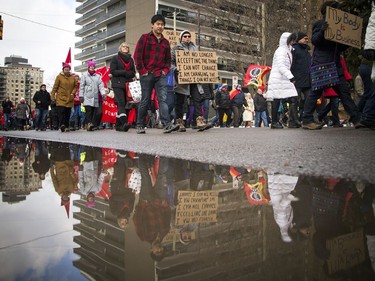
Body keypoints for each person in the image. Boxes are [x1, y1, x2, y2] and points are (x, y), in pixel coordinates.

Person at [302, 1, 360, 130]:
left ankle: (357, 119)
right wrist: (323, 31)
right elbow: (315, 41)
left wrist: (349, 39)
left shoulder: (339, 26)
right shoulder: (320, 24)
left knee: (344, 92)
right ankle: (307, 120)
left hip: (335, 64)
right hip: (322, 65)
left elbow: (341, 48)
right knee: (315, 92)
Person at [134, 14, 179, 134]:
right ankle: (140, 125)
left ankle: (167, 124)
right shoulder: (144, 38)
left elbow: (168, 60)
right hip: (147, 74)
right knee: (145, 100)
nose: (160, 26)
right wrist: (142, 72)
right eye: (158, 24)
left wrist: (165, 71)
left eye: (162, 24)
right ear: (152, 25)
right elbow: (137, 56)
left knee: (163, 100)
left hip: (160, 75)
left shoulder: (165, 42)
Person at [171, 30, 211, 131]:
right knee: (180, 100)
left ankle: (199, 120)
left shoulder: (195, 49)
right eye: (185, 36)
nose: (187, 38)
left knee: (197, 98)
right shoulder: (175, 49)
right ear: (181, 38)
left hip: (194, 79)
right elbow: (170, 63)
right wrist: (175, 69)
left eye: (189, 36)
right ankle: (179, 121)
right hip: (181, 79)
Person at [267, 32, 299, 129]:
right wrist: (291, 77)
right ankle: (275, 122)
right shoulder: (281, 51)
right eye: (291, 40)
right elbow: (281, 65)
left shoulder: (287, 50)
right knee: (277, 99)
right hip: (279, 78)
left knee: (292, 98)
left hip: (283, 78)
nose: (292, 42)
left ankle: (291, 121)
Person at [110, 42, 136, 132]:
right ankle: (125, 122)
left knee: (127, 104)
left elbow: (133, 72)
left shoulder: (131, 60)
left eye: (127, 47)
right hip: (117, 84)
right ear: (120, 48)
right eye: (123, 46)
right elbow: (113, 71)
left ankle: (118, 125)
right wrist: (124, 72)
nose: (125, 48)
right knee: (121, 103)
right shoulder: (115, 58)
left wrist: (127, 73)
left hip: (128, 84)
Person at [357, 1, 375, 129]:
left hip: (366, 64)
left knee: (369, 92)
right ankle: (366, 116)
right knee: (371, 91)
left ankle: (361, 116)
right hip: (367, 64)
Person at [79, 61, 106, 131]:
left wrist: (103, 93)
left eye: (93, 67)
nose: (92, 68)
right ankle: (88, 124)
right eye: (91, 67)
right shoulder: (84, 75)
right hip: (87, 96)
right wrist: (81, 96)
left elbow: (101, 86)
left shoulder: (98, 76)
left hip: (95, 96)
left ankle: (92, 125)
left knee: (95, 111)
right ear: (88, 67)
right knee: (88, 111)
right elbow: (81, 86)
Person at [51, 63, 78, 132]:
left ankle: (66, 125)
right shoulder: (59, 77)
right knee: (61, 112)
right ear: (63, 69)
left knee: (67, 112)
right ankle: (62, 125)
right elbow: (55, 87)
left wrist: (73, 94)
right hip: (60, 97)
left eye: (68, 69)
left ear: (69, 70)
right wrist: (52, 96)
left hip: (70, 97)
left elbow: (75, 86)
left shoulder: (73, 78)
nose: (67, 70)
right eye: (65, 69)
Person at [291, 32, 311, 122]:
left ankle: (309, 119)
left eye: (307, 39)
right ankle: (293, 120)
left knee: (310, 100)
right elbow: (291, 64)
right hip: (296, 80)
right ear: (299, 39)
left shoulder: (306, 51)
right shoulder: (294, 49)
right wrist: (291, 78)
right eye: (305, 38)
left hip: (307, 80)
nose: (307, 40)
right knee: (295, 101)